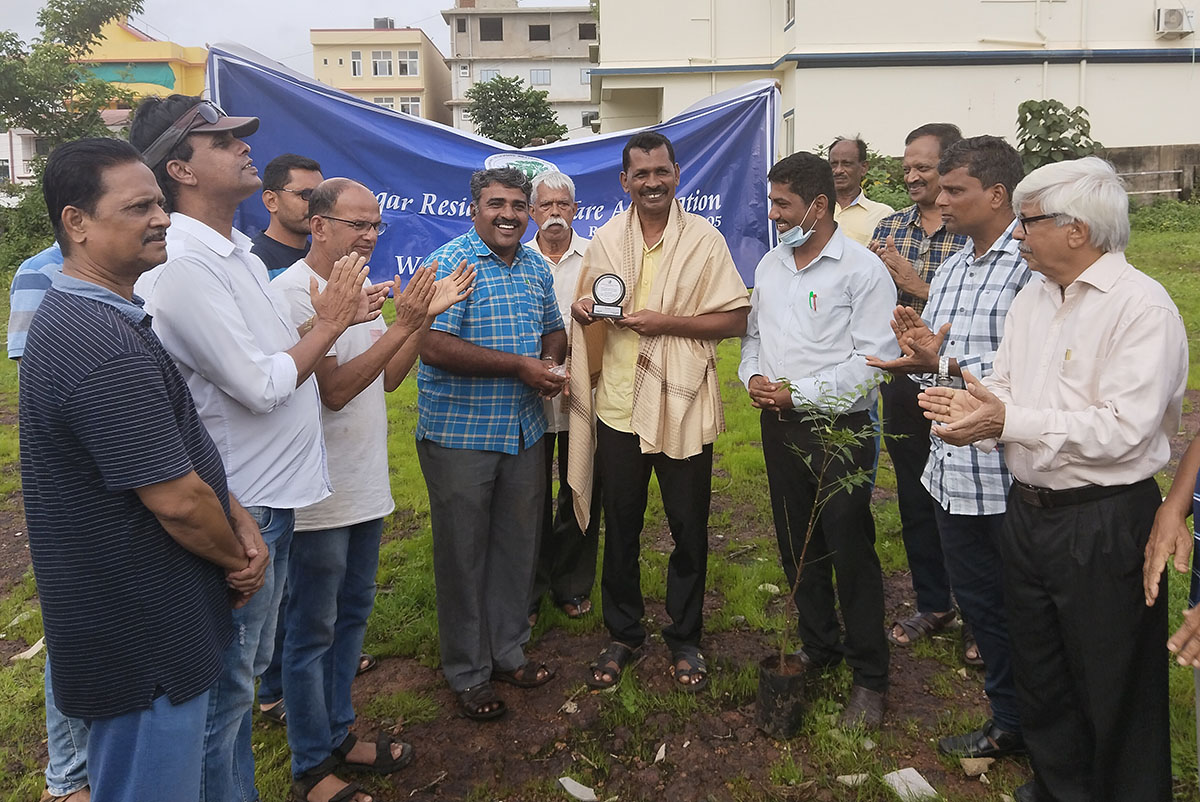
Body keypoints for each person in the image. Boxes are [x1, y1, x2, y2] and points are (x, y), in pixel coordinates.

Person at [129, 93, 378, 802]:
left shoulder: (234, 252)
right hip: (242, 504)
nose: (244, 147)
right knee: (227, 689)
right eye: (223, 140)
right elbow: (261, 385)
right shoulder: (185, 263)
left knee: (244, 677)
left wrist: (339, 322)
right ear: (180, 169)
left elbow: (275, 355)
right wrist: (329, 326)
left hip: (272, 499)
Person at [918, 156, 1186, 802]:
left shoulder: (1141, 308)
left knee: (1113, 679)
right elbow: (1008, 384)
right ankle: (1061, 786)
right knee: (1043, 669)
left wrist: (1008, 419)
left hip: (1103, 519)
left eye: (1029, 221)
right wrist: (979, 409)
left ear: (1077, 230)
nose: (1017, 233)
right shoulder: (1034, 298)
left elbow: (1124, 428)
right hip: (1029, 511)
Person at [21, 136, 267, 802]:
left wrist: (236, 515)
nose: (161, 218)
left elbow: (176, 449)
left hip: (146, 623)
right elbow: (178, 500)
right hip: (142, 639)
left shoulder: (100, 316)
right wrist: (239, 561)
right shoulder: (101, 344)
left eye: (160, 203)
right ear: (76, 222)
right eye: (138, 208)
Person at [271, 178, 473, 802]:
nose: (369, 235)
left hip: (363, 485)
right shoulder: (293, 293)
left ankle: (339, 733)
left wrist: (420, 320)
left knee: (352, 616)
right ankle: (311, 766)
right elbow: (333, 390)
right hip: (318, 495)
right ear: (318, 225)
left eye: (375, 225)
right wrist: (404, 322)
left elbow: (385, 378)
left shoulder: (356, 290)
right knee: (312, 631)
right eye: (356, 224)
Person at [568, 131, 750, 694]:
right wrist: (584, 310)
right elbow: (590, 304)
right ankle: (623, 633)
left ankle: (685, 635)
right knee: (620, 526)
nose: (652, 182)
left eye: (661, 172)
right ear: (625, 181)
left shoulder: (705, 240)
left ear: (677, 174)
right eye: (641, 174)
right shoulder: (605, 240)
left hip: (682, 404)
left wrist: (665, 323)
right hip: (618, 406)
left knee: (688, 528)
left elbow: (736, 319)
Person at [868, 135, 1030, 756]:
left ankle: (1042, 727)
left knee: (1024, 609)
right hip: (953, 470)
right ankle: (1007, 720)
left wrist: (944, 361)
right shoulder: (957, 264)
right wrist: (920, 356)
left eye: (955, 190)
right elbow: (938, 361)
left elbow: (1031, 367)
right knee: (983, 605)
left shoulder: (1029, 265)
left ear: (996, 195)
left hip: (1011, 474)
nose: (941, 200)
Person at [739, 151, 897, 726]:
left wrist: (797, 394)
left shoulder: (862, 271)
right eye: (772, 202)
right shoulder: (771, 266)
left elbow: (874, 363)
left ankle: (870, 676)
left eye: (783, 204)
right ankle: (819, 644)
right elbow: (754, 337)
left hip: (840, 432)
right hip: (778, 427)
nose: (773, 214)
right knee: (795, 544)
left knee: (849, 548)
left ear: (819, 205)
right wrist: (752, 377)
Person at [416, 167, 566, 721]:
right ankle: (468, 672)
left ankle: (508, 652)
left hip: (523, 431)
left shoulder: (534, 265)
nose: (509, 215)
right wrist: (519, 367)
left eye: (518, 205)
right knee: (463, 556)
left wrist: (548, 363)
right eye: (496, 204)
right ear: (474, 209)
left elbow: (554, 328)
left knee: (516, 548)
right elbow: (432, 345)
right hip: (461, 435)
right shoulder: (451, 263)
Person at [867, 123, 967, 654]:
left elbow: (971, 315)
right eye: (906, 167)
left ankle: (979, 611)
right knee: (914, 491)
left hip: (961, 379)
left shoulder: (971, 230)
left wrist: (916, 285)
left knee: (970, 493)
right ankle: (933, 601)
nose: (911, 176)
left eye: (923, 167)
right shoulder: (889, 228)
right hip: (904, 380)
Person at [526, 169, 600, 625]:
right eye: (546, 205)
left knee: (580, 488)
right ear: (533, 212)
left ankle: (571, 584)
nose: (554, 213)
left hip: (584, 394)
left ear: (575, 209)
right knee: (527, 496)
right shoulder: (518, 258)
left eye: (562, 205)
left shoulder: (597, 255)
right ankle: (529, 590)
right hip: (528, 395)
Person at [251, 153, 323, 278]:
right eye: (306, 194)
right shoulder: (253, 261)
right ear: (271, 201)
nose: (316, 203)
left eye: (320, 195)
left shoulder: (324, 260)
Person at [829, 136, 893, 246]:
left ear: (864, 167)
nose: (838, 170)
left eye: (846, 164)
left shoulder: (883, 215)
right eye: (834, 164)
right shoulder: (816, 209)